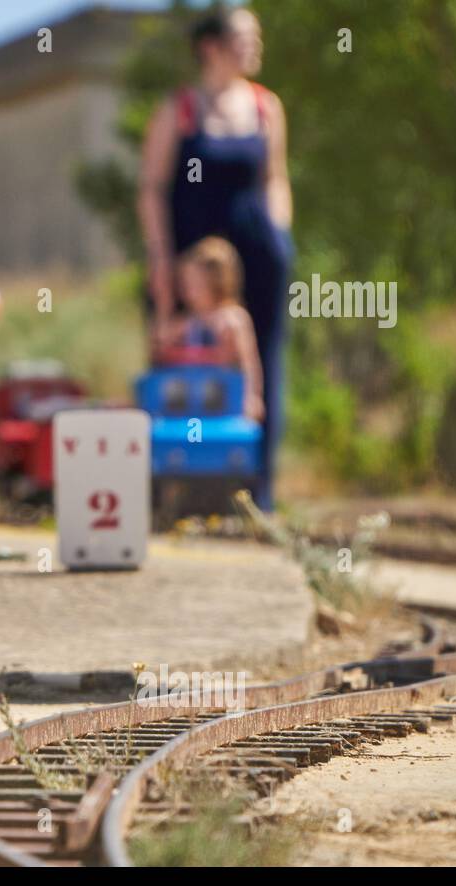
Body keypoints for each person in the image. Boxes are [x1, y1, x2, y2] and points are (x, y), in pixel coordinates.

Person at [137, 7, 292, 509]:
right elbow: (152, 188)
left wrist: (279, 237)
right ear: (211, 46)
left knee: (260, 361)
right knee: (181, 364)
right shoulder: (179, 109)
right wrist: (161, 260)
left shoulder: (267, 108)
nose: (255, 45)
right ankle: (184, 489)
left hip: (256, 255)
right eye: (244, 36)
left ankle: (257, 495)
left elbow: (275, 179)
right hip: (191, 258)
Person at [156, 237, 264, 422]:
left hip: (225, 399)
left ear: (218, 281)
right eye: (186, 283)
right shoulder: (188, 321)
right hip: (190, 402)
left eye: (196, 284)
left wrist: (252, 396)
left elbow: (249, 363)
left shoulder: (232, 319)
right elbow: (161, 346)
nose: (189, 290)